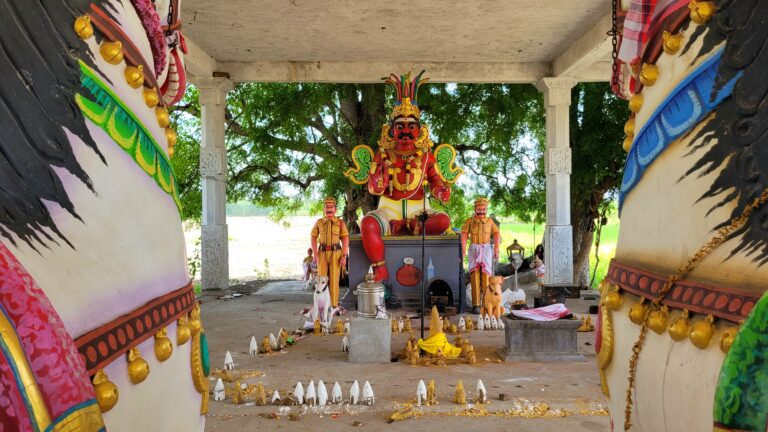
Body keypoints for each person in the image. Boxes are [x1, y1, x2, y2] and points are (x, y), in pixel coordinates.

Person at [357, 71, 461, 282]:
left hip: (419, 212)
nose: (406, 130)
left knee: (443, 220)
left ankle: (410, 225)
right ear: (392, 130)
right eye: (400, 126)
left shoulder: (427, 156)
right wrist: (377, 184)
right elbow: (373, 187)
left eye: (411, 126)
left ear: (419, 129)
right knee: (367, 223)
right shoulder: (383, 154)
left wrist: (440, 191)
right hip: (388, 210)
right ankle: (380, 269)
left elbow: (436, 182)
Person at [461, 197, 500, 313]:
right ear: (475, 209)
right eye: (479, 209)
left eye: (484, 209)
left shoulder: (490, 221)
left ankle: (486, 303)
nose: (481, 211)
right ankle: (476, 305)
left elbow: (497, 233)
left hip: (486, 250)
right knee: (474, 276)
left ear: (486, 209)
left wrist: (496, 248)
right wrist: (463, 250)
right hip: (474, 249)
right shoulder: (469, 221)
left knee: (486, 276)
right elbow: (464, 235)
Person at [310, 197, 349, 308]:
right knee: (321, 279)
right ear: (324, 209)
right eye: (327, 207)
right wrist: (315, 253)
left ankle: (333, 305)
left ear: (335, 209)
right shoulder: (319, 222)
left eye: (331, 207)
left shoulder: (340, 223)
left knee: (334, 279)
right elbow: (313, 237)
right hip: (322, 253)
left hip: (336, 253)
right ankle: (321, 305)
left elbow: (345, 238)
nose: (329, 209)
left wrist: (344, 256)